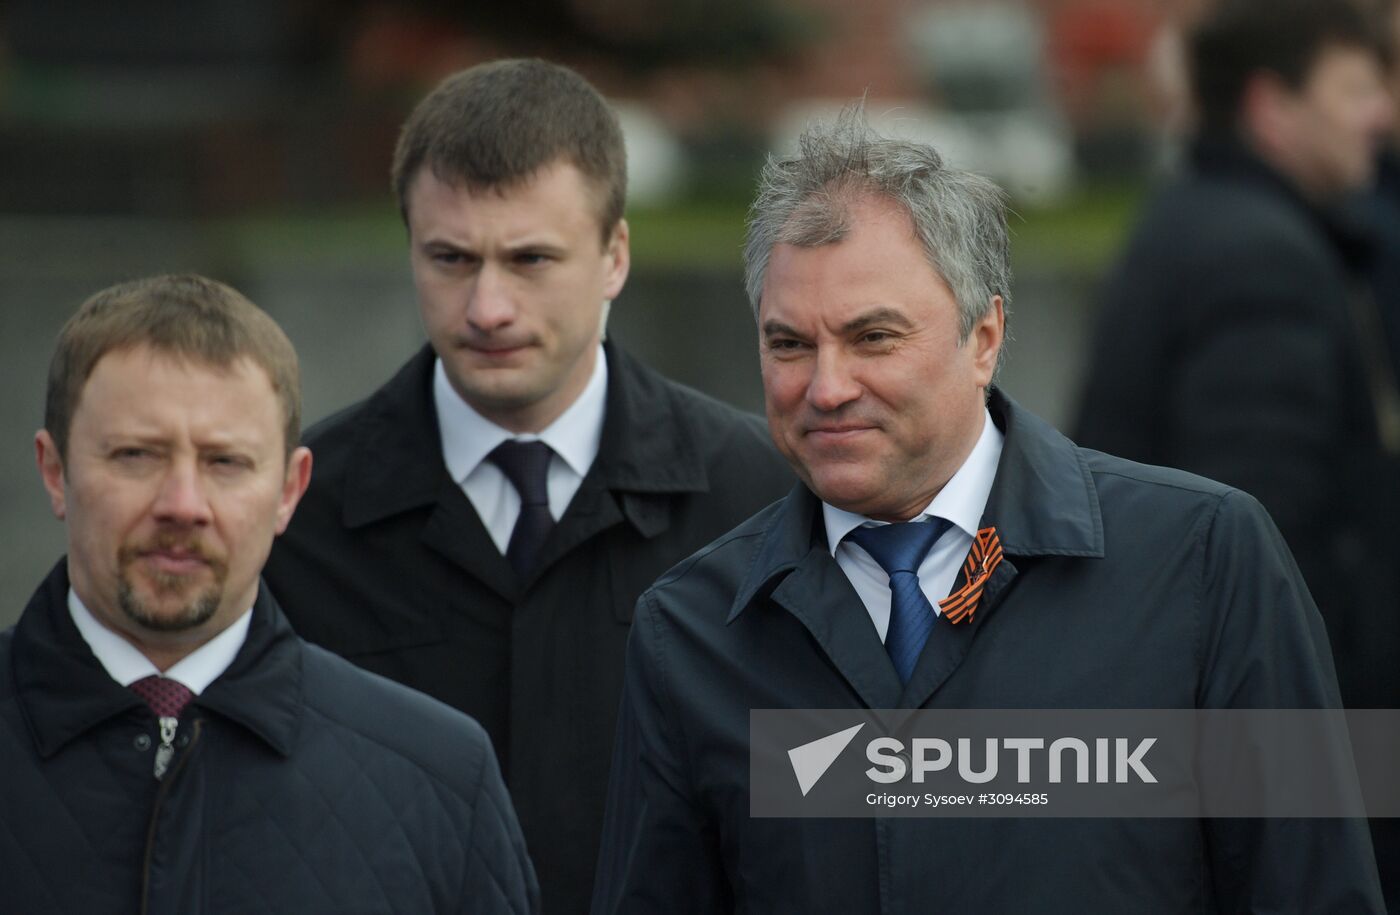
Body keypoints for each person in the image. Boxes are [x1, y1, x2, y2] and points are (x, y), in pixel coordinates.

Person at [591, 110, 1385, 912]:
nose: (825, 388)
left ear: (985, 335)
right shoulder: (691, 631)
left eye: (873, 337)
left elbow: (1316, 887)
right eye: (790, 344)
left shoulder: (1206, 562)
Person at [262, 58, 792, 913]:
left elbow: (811, 816)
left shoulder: (759, 499)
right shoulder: (298, 515)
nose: (487, 307)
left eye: (530, 258)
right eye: (450, 258)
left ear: (615, 254)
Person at [1, 274, 538, 913]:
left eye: (225, 462)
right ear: (55, 471)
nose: (182, 505)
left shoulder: (441, 780)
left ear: (290, 489)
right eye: (136, 455)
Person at [1073, 0, 1400, 714]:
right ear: (1272, 107)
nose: (1377, 114)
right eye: (1351, 91)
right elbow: (1259, 543)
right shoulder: (1263, 259)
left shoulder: (1200, 218)